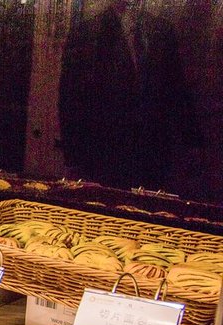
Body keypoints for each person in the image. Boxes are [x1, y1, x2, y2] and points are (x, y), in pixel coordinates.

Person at [58, 0, 201, 191]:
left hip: (153, 151)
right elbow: (70, 98)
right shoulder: (86, 34)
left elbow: (176, 89)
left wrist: (191, 142)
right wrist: (73, 158)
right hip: (103, 151)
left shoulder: (161, 31)